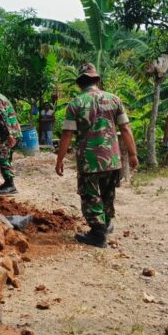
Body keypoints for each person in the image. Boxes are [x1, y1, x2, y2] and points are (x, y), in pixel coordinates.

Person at [55, 63, 139, 248]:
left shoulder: (76, 103)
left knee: (90, 195)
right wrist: (133, 155)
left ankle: (97, 234)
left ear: (79, 83)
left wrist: (60, 159)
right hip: (112, 158)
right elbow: (125, 128)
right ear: (97, 80)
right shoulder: (114, 100)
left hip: (89, 160)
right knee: (108, 193)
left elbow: (68, 134)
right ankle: (107, 224)